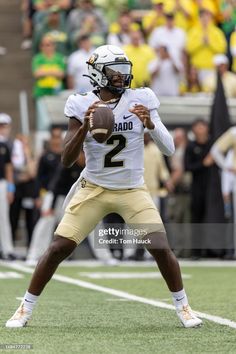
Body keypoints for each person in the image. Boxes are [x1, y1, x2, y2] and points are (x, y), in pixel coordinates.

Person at [6, 45, 202, 329]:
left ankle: (183, 306)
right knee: (59, 247)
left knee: (159, 246)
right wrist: (85, 126)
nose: (122, 77)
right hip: (95, 188)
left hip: (133, 189)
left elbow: (169, 149)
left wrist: (150, 124)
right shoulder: (80, 103)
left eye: (124, 70)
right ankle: (24, 307)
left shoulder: (143, 97)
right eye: (115, 71)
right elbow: (66, 159)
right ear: (98, 74)